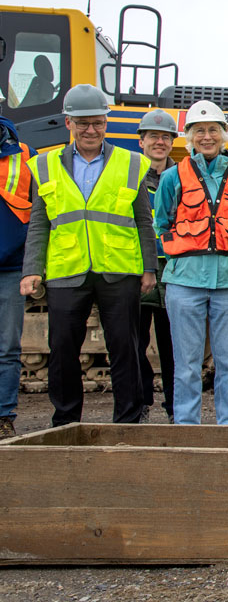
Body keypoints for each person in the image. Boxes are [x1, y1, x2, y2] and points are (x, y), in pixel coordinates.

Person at [20, 84, 156, 426]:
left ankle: (128, 421)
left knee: (125, 348)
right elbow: (39, 223)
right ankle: (65, 421)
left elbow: (143, 220)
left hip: (119, 269)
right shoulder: (45, 165)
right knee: (63, 349)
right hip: (67, 270)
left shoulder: (131, 163)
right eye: (83, 123)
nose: (91, 130)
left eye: (97, 122)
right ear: (69, 124)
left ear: (105, 122)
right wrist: (31, 269)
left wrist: (150, 268)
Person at [154, 100, 228, 425]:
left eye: (213, 129)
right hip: (184, 282)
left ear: (224, 134)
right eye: (200, 130)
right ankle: (186, 427)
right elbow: (161, 222)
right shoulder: (172, 177)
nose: (207, 136)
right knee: (186, 363)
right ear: (190, 137)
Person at [136, 109, 179, 422]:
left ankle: (175, 408)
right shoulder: (129, 175)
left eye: (165, 137)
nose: (159, 142)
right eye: (154, 137)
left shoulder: (183, 178)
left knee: (173, 346)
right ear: (142, 141)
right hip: (137, 270)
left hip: (174, 270)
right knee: (134, 342)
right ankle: (141, 402)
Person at [0, 91, 33, 437]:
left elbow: (37, 211)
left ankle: (3, 416)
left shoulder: (24, 155)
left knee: (7, 347)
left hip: (10, 267)